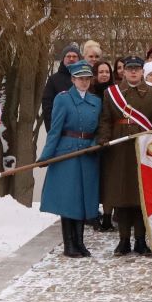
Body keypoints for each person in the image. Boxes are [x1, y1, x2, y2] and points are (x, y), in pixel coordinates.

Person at [98, 55, 152, 254]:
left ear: (142, 71)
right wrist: (103, 139)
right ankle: (123, 240)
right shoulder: (111, 93)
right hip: (119, 150)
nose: (133, 72)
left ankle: (140, 240)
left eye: (137, 69)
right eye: (129, 69)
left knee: (141, 197)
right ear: (124, 71)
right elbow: (105, 120)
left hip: (144, 149)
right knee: (121, 197)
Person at [40, 61, 102, 258]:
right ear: (73, 79)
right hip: (67, 154)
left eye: (87, 79)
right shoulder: (63, 99)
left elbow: (100, 128)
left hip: (87, 155)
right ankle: (69, 245)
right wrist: (47, 155)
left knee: (84, 199)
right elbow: (55, 129)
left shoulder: (96, 101)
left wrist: (95, 143)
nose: (84, 82)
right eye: (80, 79)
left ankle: (80, 243)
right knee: (69, 200)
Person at [41, 43, 83, 127]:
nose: (71, 59)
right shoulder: (53, 80)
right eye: (68, 56)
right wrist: (52, 130)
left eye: (74, 56)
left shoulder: (86, 79)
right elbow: (47, 107)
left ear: (79, 59)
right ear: (63, 59)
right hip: (60, 128)